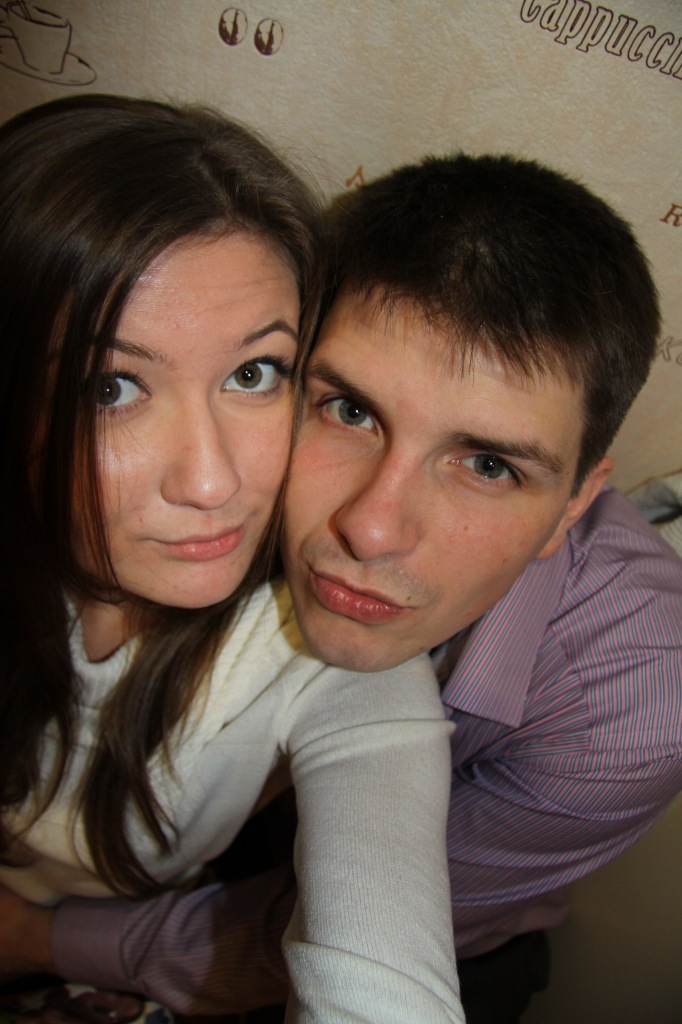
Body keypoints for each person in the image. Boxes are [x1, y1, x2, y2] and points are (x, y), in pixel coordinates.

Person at [4, 149, 682, 1023]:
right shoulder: (215, 490)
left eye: (488, 465)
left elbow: (355, 940)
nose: (371, 528)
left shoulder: (635, 703)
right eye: (350, 411)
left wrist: (35, 939)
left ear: (576, 504)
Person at [0, 96, 466, 1024]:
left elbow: (380, 979)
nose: (212, 482)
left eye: (254, 375)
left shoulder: (330, 657)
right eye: (112, 387)